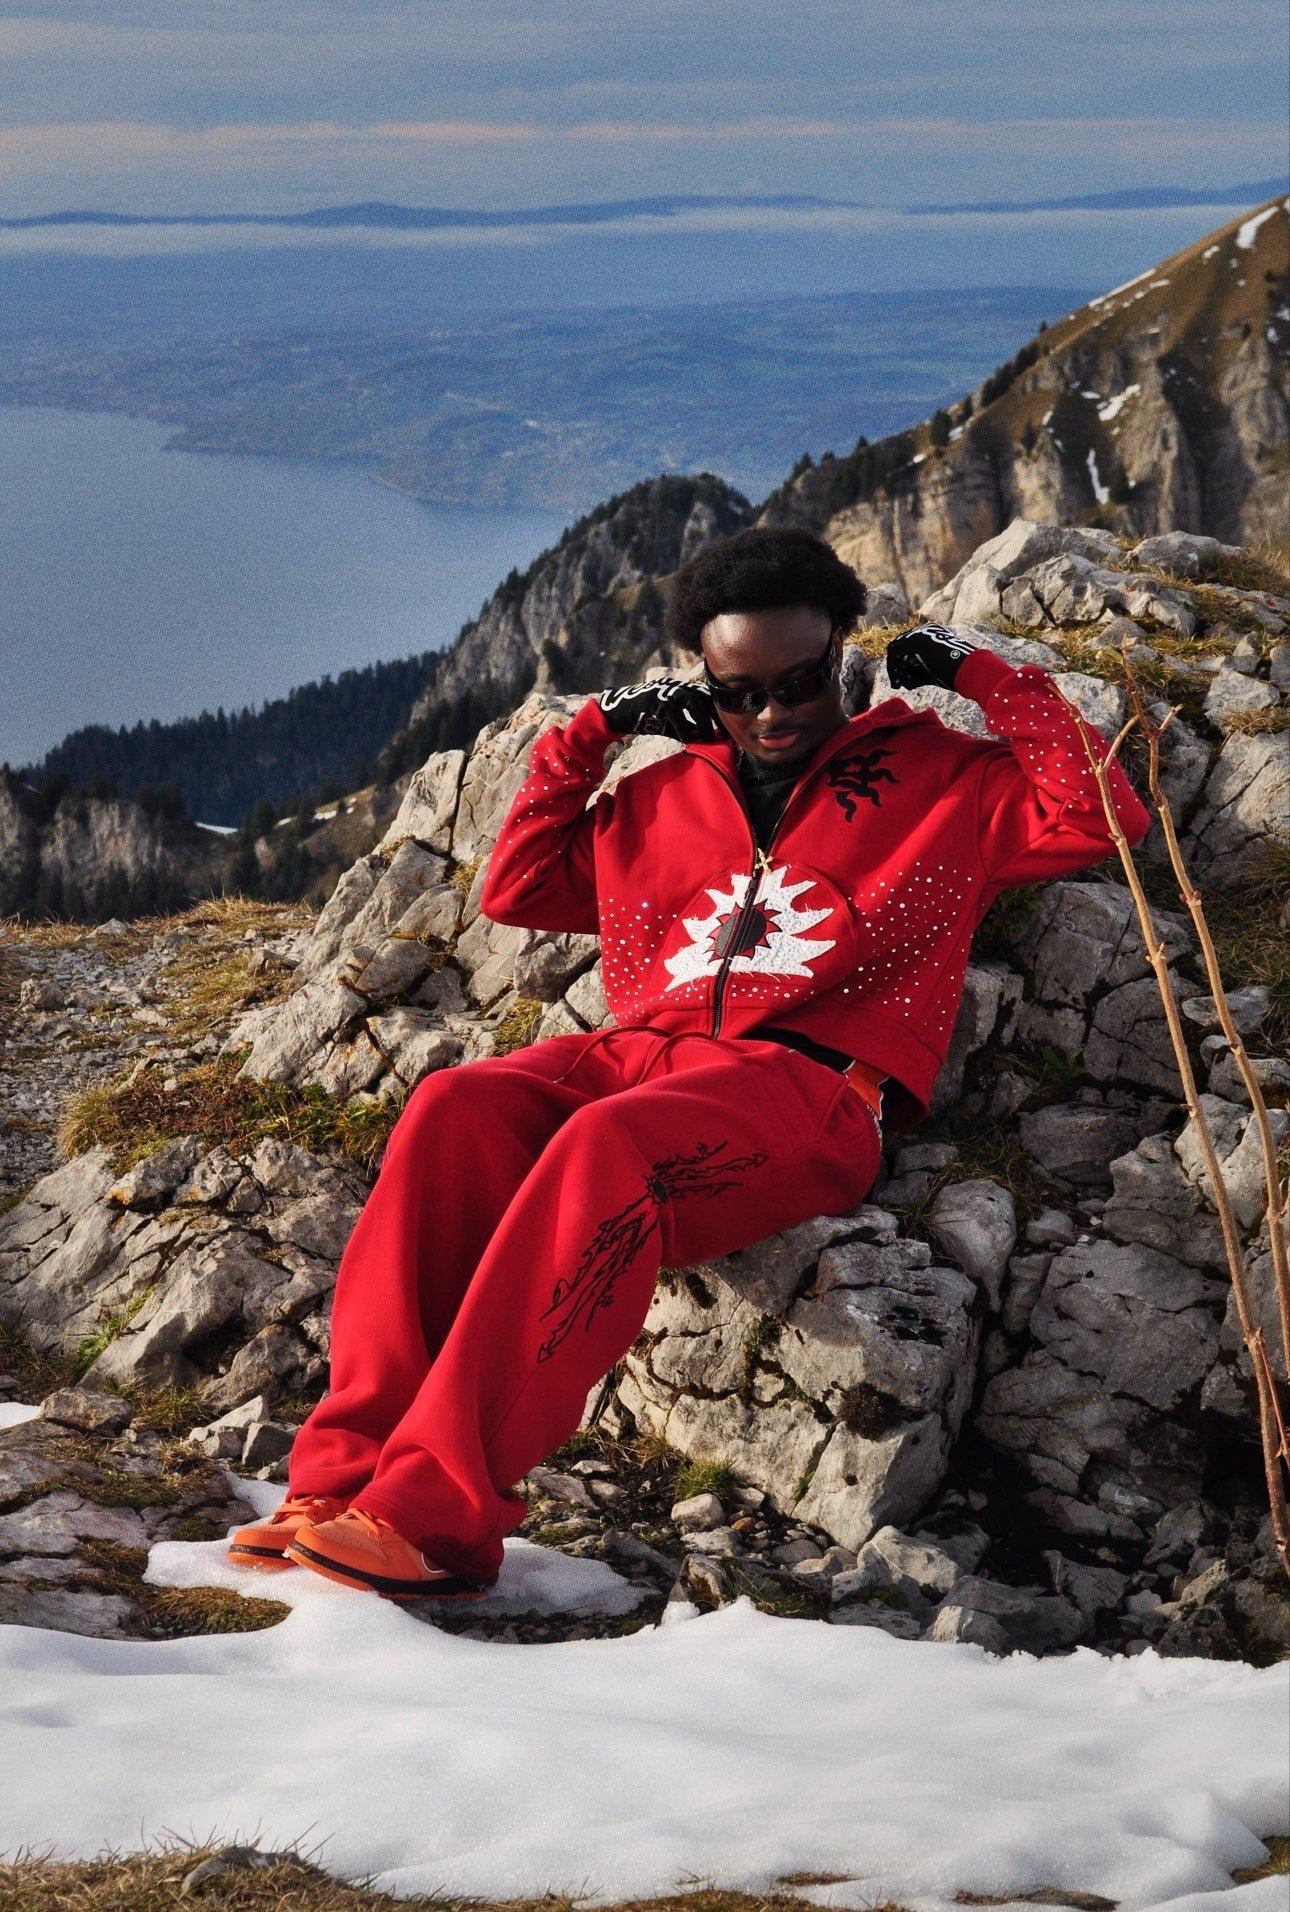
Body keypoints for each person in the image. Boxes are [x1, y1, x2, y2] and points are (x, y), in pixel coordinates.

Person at [229, 526, 1149, 1599]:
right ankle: (336, 1486)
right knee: (449, 1108)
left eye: (799, 682)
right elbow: (516, 888)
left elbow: (1105, 812)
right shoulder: (665, 794)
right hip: (635, 1052)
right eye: (738, 693)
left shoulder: (945, 781)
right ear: (703, 685)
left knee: (605, 1148)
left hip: (810, 1087)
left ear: (840, 652)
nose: (773, 713)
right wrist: (593, 732)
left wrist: (985, 677)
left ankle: (431, 1520)